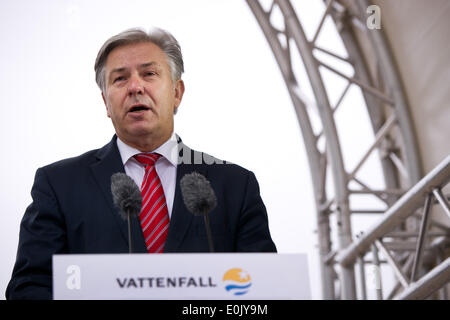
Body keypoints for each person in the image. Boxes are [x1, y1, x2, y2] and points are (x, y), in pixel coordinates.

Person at [6, 27, 276, 300]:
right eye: (120, 79)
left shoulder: (235, 185)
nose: (135, 87)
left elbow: (266, 289)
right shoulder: (60, 185)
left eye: (149, 74)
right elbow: (29, 288)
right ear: (106, 102)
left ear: (177, 92)